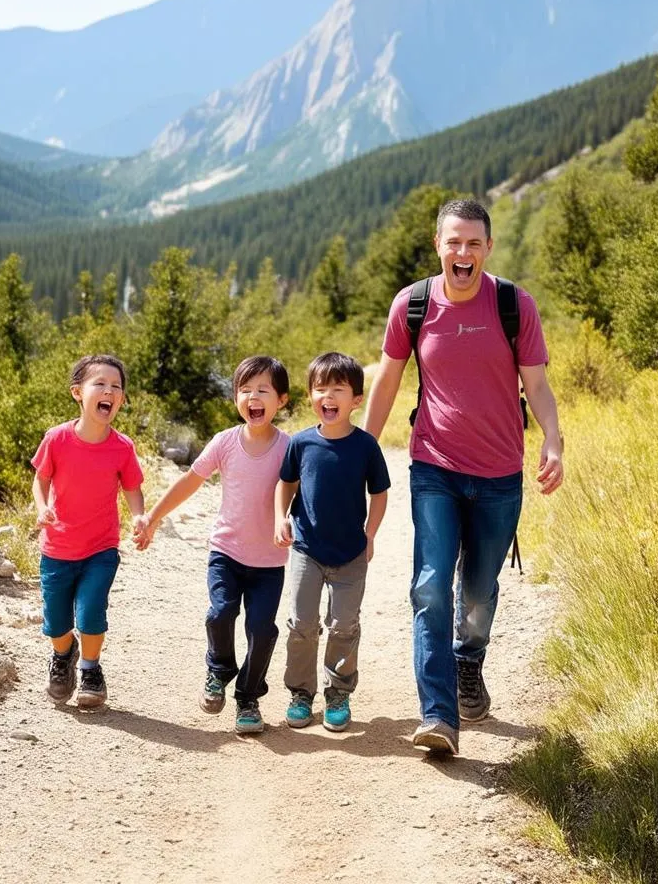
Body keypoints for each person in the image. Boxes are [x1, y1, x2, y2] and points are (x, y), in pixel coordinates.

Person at [362, 197, 563, 756]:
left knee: (477, 590)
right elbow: (385, 382)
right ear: (439, 246)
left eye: (474, 243)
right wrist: (362, 452)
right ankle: (438, 714)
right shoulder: (414, 305)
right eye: (454, 242)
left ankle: (468, 662)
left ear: (488, 248)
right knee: (429, 584)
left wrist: (553, 438)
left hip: (500, 473)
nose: (463, 252)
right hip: (434, 467)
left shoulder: (513, 305)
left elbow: (538, 387)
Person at [133, 356, 291, 734]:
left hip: (269, 561)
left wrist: (293, 522)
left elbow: (302, 493)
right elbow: (190, 480)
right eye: (245, 390)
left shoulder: (290, 448)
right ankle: (218, 670)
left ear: (281, 400)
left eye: (263, 390)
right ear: (235, 397)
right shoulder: (224, 442)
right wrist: (152, 517)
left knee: (263, 630)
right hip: (227, 552)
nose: (253, 397)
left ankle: (248, 697)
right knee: (220, 614)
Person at [275, 352, 390, 732]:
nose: (328, 396)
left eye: (338, 389)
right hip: (307, 550)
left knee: (344, 625)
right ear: (311, 396)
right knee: (301, 624)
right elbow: (286, 484)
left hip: (350, 555)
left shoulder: (365, 447)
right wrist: (281, 518)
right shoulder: (301, 443)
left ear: (356, 400)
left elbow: (380, 494)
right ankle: (301, 693)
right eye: (320, 388)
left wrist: (370, 535)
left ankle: (338, 693)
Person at [32, 354, 145, 709]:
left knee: (92, 611)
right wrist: (42, 507)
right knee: (56, 623)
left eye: (116, 387)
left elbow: (131, 488)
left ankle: (91, 669)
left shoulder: (122, 447)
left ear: (121, 400)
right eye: (100, 384)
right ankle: (63, 656)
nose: (109, 391)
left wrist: (140, 516)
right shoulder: (57, 439)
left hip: (101, 548)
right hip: (58, 548)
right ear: (77, 393)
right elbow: (41, 477)